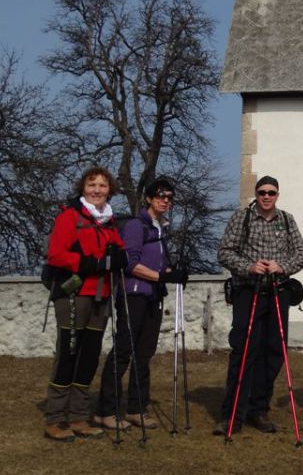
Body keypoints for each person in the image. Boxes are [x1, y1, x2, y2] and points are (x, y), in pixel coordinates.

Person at [212, 176, 303, 435]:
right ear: (256, 194)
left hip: (278, 292)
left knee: (274, 352)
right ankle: (232, 414)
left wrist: (282, 266)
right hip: (248, 291)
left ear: (278, 195)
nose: (267, 196)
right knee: (244, 351)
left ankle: (258, 409)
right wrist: (249, 266)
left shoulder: (287, 220)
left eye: (272, 193)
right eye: (262, 192)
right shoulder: (241, 218)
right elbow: (225, 251)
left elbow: (302, 253)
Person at [94, 177, 188, 431]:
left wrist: (172, 272)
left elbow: (159, 264)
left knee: (144, 354)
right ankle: (106, 410)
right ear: (148, 198)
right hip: (133, 295)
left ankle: (137, 408)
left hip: (153, 297)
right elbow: (131, 264)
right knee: (124, 351)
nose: (165, 201)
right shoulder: (137, 225)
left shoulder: (159, 227)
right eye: (160, 196)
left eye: (169, 197)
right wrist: (162, 276)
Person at [43, 166, 128, 442]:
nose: (97, 191)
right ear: (83, 188)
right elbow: (55, 255)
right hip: (73, 295)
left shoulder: (109, 221)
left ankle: (79, 416)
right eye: (92, 185)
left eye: (102, 186)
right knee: (68, 354)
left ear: (109, 191)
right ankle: (56, 417)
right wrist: (87, 264)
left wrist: (119, 258)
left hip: (101, 297)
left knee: (89, 356)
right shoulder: (70, 217)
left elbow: (119, 251)